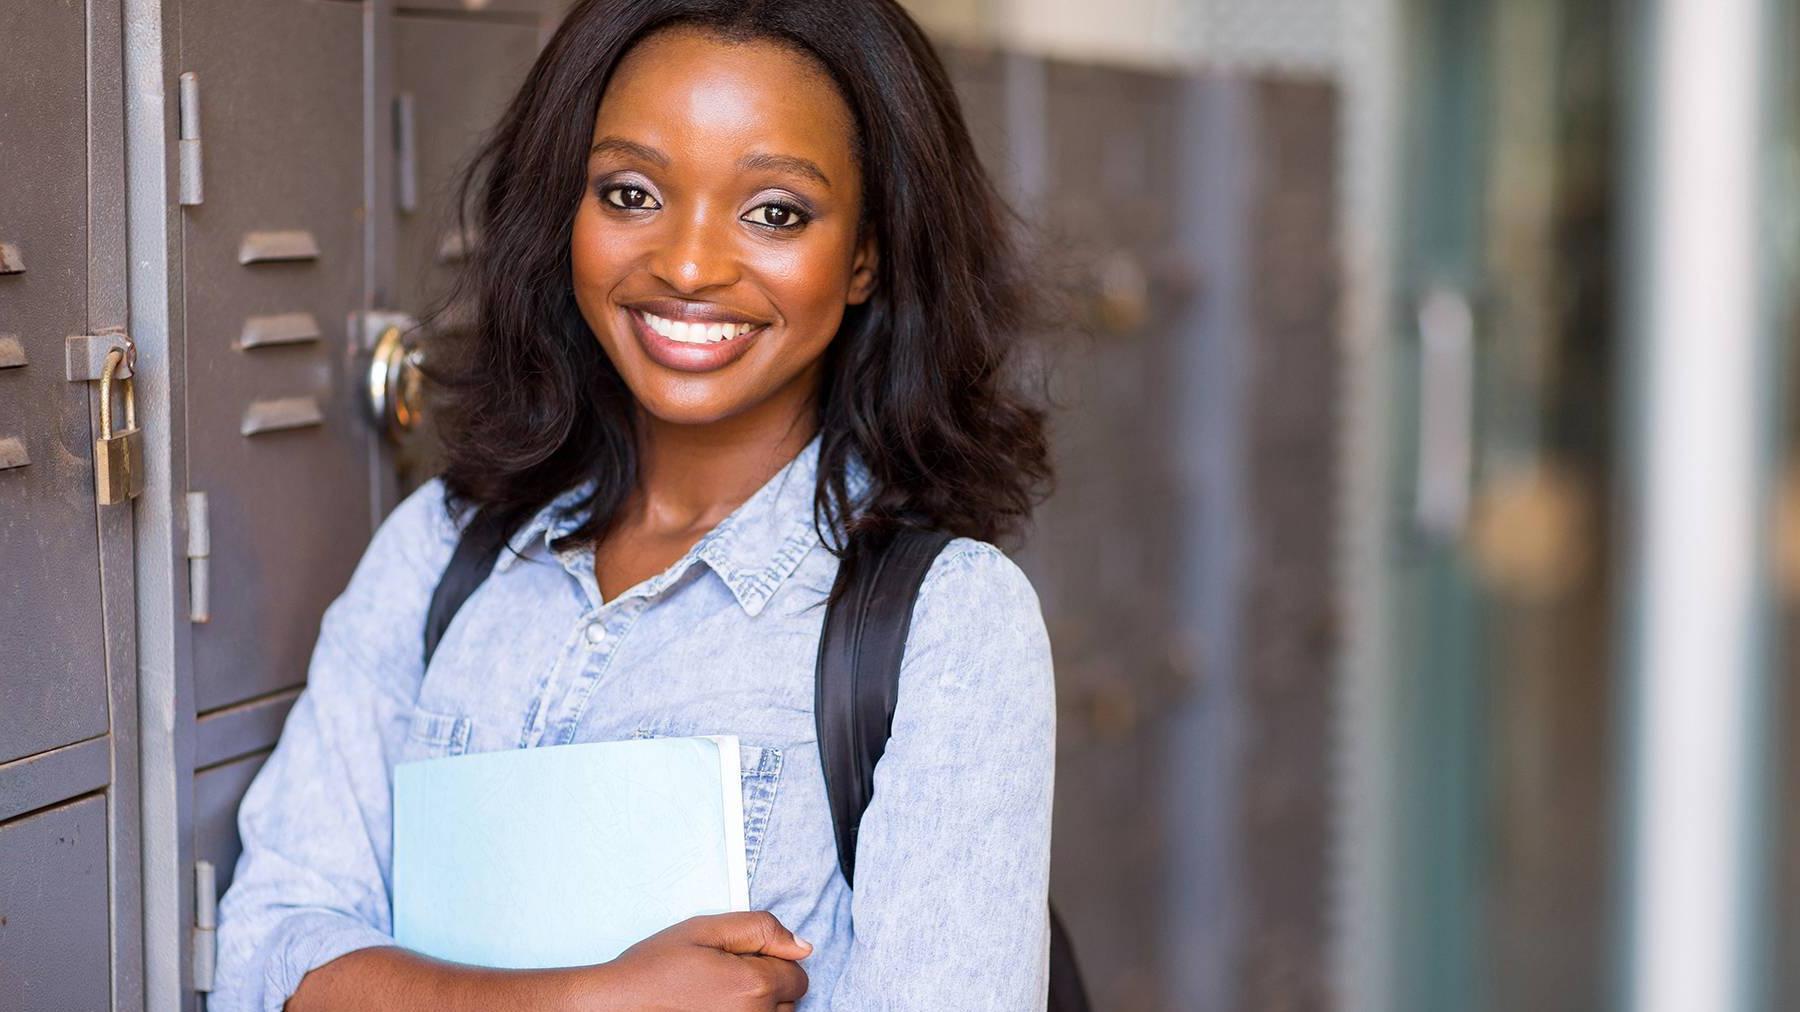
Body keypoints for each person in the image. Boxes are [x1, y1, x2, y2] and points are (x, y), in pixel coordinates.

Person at [212, 1, 1055, 1008]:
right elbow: (270, 958)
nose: (690, 265)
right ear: (566, 212)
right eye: (631, 192)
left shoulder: (948, 620)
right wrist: (589, 999)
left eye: (776, 210)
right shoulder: (440, 550)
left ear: (867, 252)